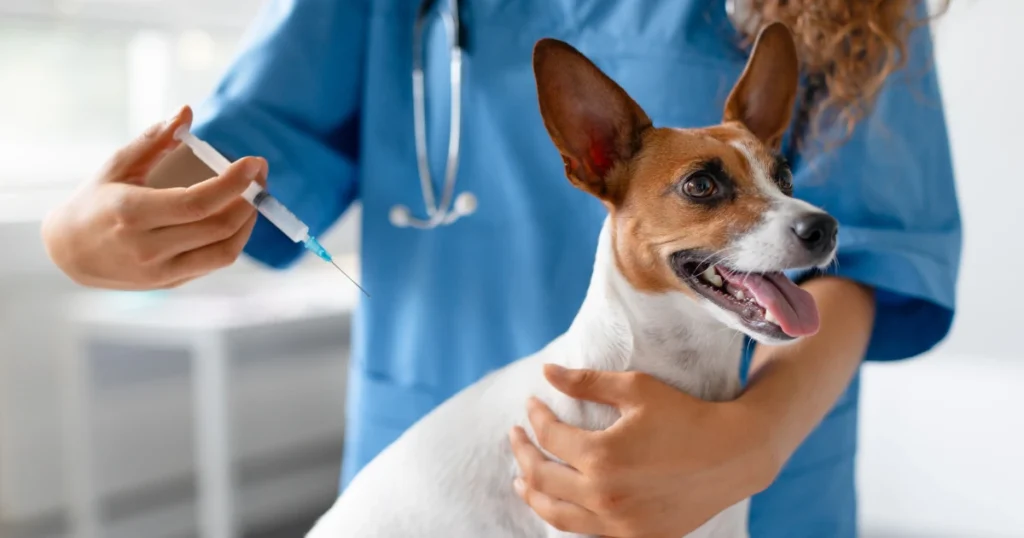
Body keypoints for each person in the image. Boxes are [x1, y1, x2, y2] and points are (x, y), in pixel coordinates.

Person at [41, 0, 960, 536]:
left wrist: (757, 439)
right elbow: (241, 155)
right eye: (715, 188)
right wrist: (90, 226)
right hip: (449, 482)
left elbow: (881, 239)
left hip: (765, 461)